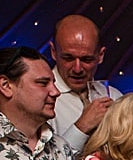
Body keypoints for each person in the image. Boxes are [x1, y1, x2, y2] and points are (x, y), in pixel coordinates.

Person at [49, 15, 122, 152]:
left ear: (101, 55)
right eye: (68, 58)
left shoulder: (115, 96)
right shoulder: (39, 100)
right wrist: (81, 127)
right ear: (53, 52)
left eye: (86, 59)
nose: (77, 69)